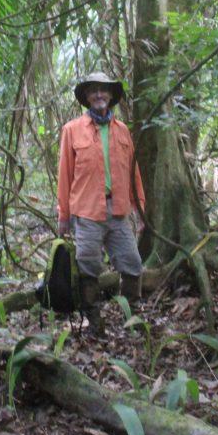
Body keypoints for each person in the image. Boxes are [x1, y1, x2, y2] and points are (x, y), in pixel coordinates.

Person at [57, 71, 145, 335]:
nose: (99, 95)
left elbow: (134, 172)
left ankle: (132, 318)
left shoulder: (122, 131)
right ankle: (94, 322)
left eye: (103, 90)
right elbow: (65, 174)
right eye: (94, 90)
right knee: (88, 267)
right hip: (86, 212)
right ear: (87, 96)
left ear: (111, 96)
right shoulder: (72, 130)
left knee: (132, 263)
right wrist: (63, 214)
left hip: (118, 210)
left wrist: (140, 208)